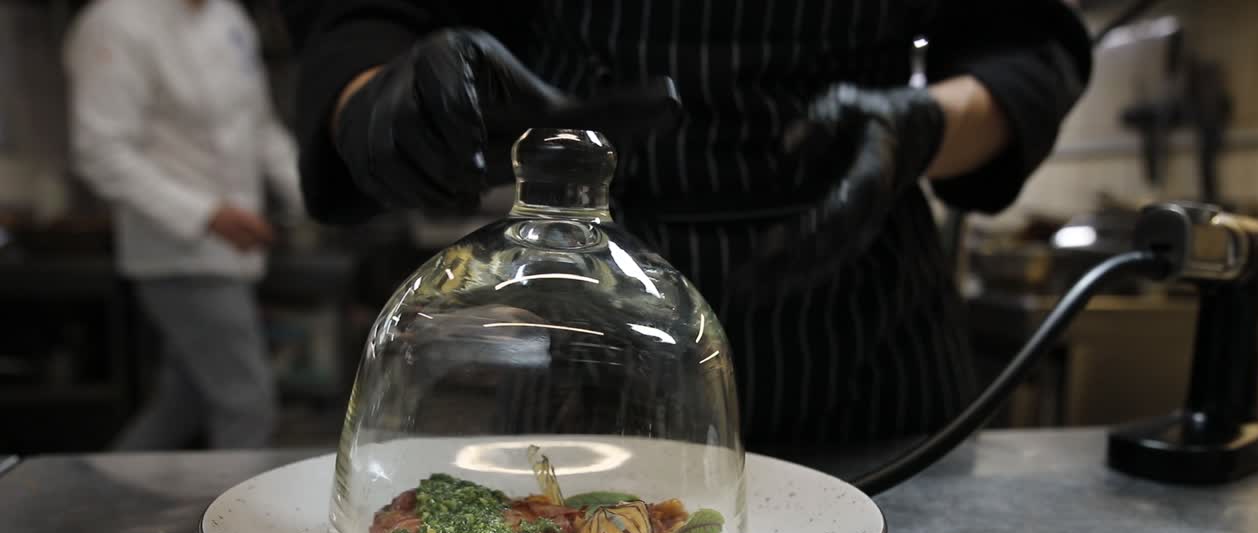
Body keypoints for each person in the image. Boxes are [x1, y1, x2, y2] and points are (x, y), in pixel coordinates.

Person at [279, 1, 1091, 445]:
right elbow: (357, 14)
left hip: (868, 332)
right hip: (579, 326)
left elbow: (1025, 41)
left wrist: (919, 127)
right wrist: (375, 100)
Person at [64, 0, 303, 449]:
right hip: (175, 251)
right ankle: (232, 520)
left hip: (235, 250)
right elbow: (99, 150)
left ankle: (104, 505)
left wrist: (311, 190)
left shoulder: (229, 17)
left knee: (182, 406)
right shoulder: (114, 21)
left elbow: (259, 127)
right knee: (246, 405)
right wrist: (205, 214)